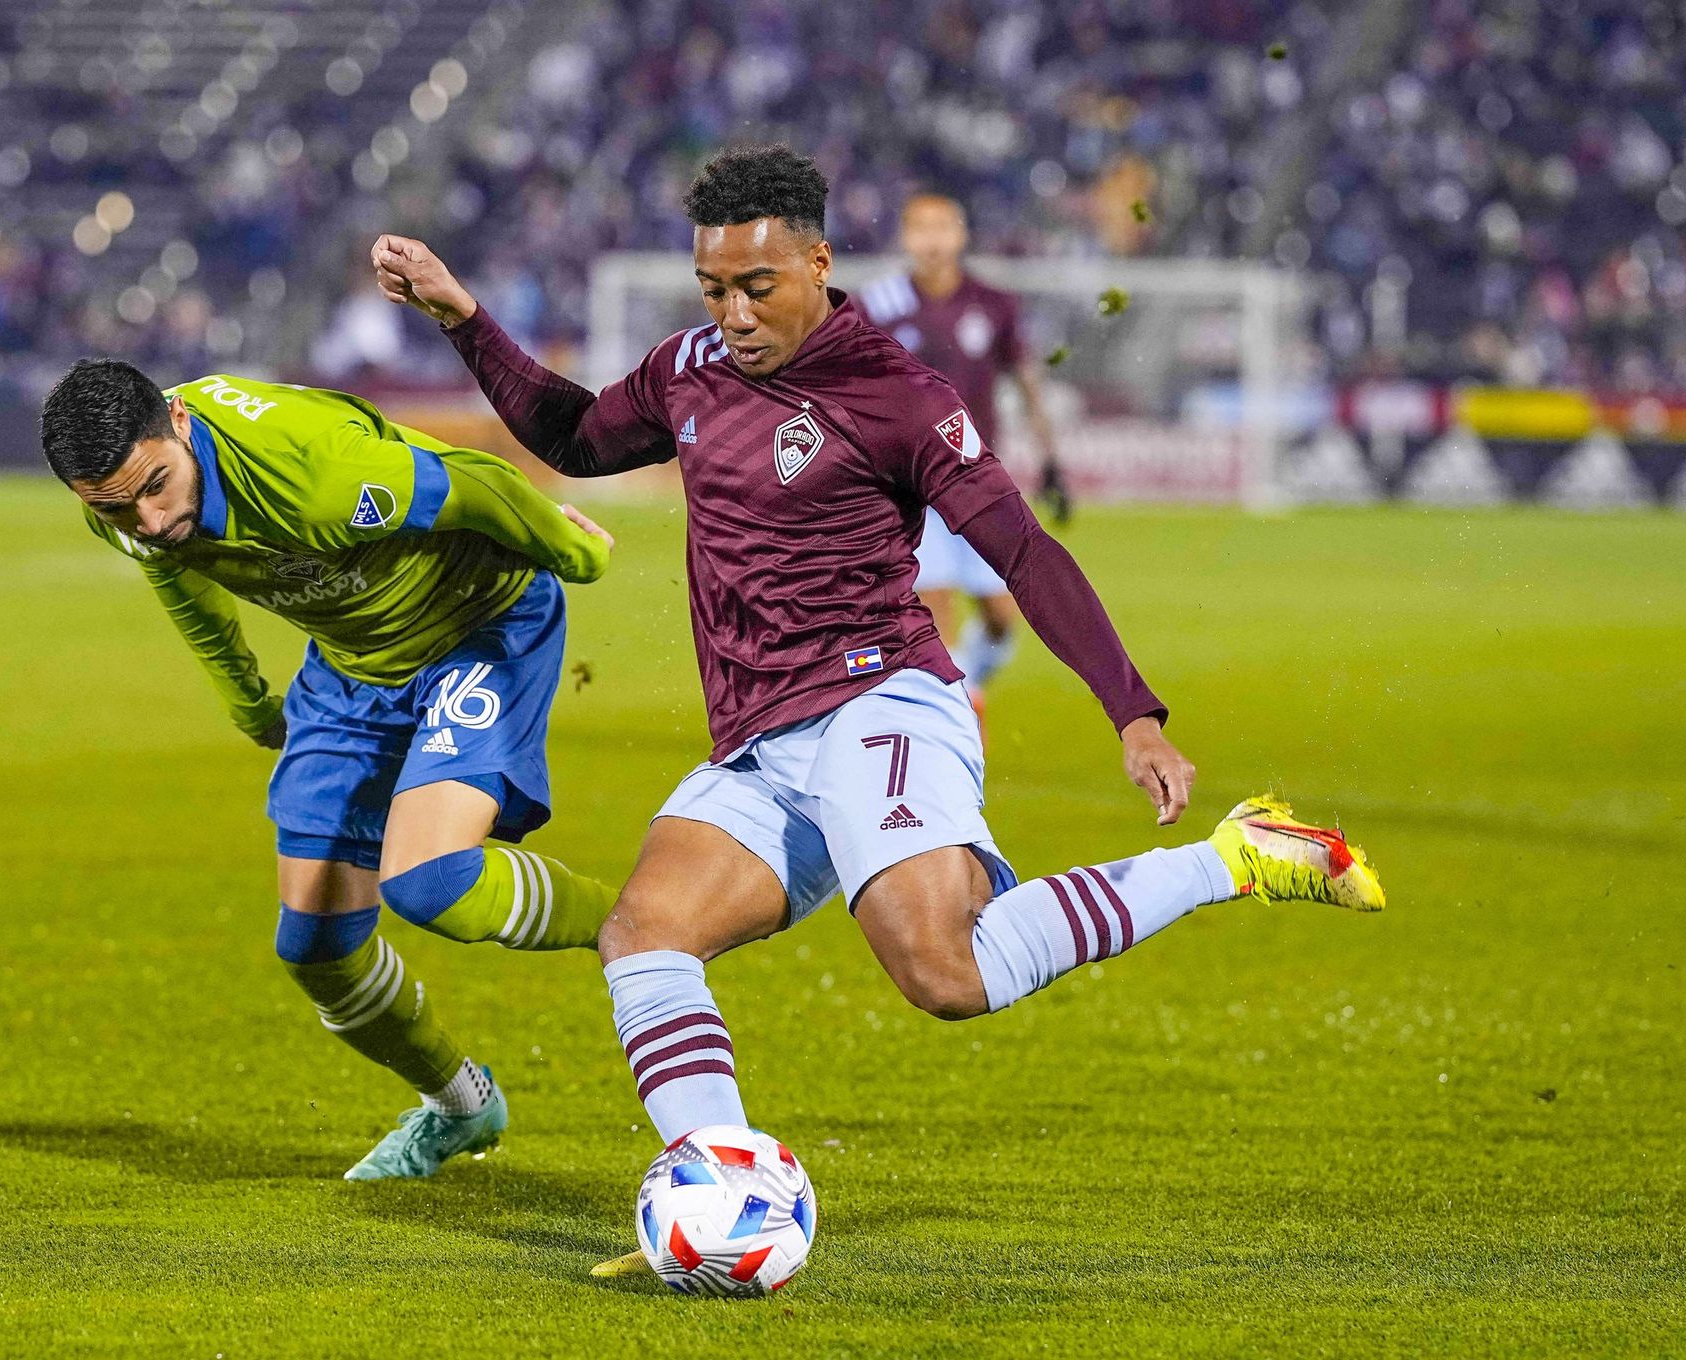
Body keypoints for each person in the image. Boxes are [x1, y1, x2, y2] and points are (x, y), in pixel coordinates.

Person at [372, 144, 1382, 1274]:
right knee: (644, 935)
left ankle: (1236, 857)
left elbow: (1020, 547)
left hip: (878, 698)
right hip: (760, 741)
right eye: (714, 289)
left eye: (758, 287)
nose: (734, 313)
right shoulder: (689, 369)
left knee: (944, 976)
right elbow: (572, 437)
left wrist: (1134, 712)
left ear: (820, 262)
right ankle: (725, 1200)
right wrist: (466, 317)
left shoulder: (898, 395)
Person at [39, 359, 620, 1179]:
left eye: (156, 486)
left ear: (177, 422)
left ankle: (641, 926)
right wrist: (248, 699)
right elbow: (184, 584)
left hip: (476, 623)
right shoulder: (128, 506)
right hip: (353, 661)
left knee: (431, 883)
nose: (150, 517)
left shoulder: (311, 471)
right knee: (315, 948)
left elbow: (474, 484)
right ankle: (459, 1106)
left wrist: (573, 553)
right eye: (115, 507)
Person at [858, 192, 1069, 713]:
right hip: (910, 485)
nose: (931, 240)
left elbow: (1025, 381)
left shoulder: (994, 305)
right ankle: (951, 718)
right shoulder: (877, 304)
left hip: (977, 482)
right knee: (935, 607)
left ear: (961, 234)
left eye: (942, 228)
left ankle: (969, 685)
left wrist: (1051, 460)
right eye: (920, 229)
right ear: (905, 238)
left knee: (1001, 616)